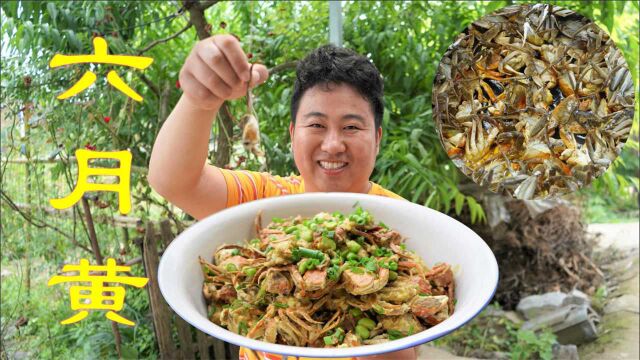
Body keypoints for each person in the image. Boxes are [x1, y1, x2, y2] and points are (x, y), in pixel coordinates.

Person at [148, 35, 418, 360]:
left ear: (376, 138)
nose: (333, 144)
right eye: (316, 124)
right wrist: (199, 101)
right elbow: (173, 181)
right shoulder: (265, 199)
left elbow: (410, 342)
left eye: (351, 127)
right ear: (293, 136)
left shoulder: (401, 221)